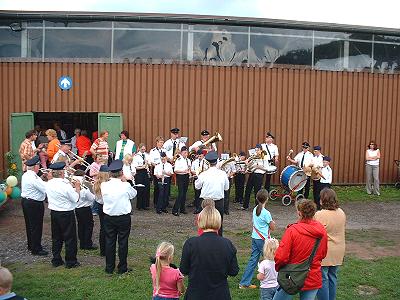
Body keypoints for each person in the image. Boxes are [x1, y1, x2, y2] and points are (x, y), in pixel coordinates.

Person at [180, 206, 239, 300]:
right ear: (219, 221)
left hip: (196, 294)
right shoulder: (227, 244)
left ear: (200, 221)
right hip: (220, 294)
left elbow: (184, 269)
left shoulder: (191, 243)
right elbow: (233, 271)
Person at [273, 199, 328, 300]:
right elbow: (323, 253)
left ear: (299, 212)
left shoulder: (292, 231)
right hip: (312, 275)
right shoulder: (321, 230)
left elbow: (281, 257)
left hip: (291, 276)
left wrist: (279, 268)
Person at [101, 160, 137, 274]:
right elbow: (133, 194)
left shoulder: (104, 185)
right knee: (123, 242)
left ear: (110, 173)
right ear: (121, 172)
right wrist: (126, 181)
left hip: (109, 216)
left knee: (110, 241)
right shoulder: (125, 185)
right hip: (123, 217)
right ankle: (122, 267)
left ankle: (109, 267)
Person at [46, 161, 81, 268]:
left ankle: (56, 260)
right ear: (61, 173)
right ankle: (71, 261)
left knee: (56, 237)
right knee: (70, 238)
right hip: (66, 213)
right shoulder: (65, 186)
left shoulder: (49, 183)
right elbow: (75, 199)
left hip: (54, 212)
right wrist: (78, 188)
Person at [239, 189, 276, 289]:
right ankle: (270, 280)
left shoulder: (255, 209)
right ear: (267, 199)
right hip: (263, 240)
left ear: (257, 198)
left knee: (253, 260)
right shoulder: (266, 213)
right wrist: (273, 223)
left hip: (255, 237)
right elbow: (272, 227)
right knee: (270, 259)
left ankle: (244, 282)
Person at [315, 189, 346, 300]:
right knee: (333, 276)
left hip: (325, 251)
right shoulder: (341, 212)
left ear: (323, 200)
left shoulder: (319, 214)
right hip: (339, 249)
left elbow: (314, 232)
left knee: (322, 278)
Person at [194, 151, 229, 236]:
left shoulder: (203, 174)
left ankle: (203, 239)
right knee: (218, 223)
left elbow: (197, 187)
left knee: (204, 222)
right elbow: (226, 188)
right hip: (218, 201)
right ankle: (219, 240)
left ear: (208, 162)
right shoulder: (223, 174)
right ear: (217, 161)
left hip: (206, 201)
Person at [20, 155, 48, 256]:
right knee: (36, 226)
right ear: (35, 166)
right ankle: (36, 248)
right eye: (39, 165)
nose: (39, 167)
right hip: (34, 203)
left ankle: (31, 245)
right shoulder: (32, 177)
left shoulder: (28, 175)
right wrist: (51, 179)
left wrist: (43, 177)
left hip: (27, 202)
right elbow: (44, 188)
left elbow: (38, 183)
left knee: (30, 225)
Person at [73, 169, 97, 250]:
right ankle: (87, 244)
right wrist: (93, 188)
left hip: (77, 209)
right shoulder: (84, 190)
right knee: (88, 226)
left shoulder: (73, 188)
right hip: (85, 209)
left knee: (81, 225)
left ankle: (82, 243)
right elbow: (92, 198)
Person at [241, 144, 269, 210]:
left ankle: (257, 207)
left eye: (258, 150)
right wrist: (247, 164)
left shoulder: (264, 157)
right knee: (248, 190)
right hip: (252, 174)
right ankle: (245, 206)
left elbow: (266, 168)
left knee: (257, 192)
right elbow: (250, 167)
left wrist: (258, 166)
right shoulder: (254, 157)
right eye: (256, 150)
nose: (256, 152)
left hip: (259, 175)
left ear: (261, 150)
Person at [93, 165, 110, 257]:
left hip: (100, 206)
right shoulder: (107, 184)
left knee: (102, 228)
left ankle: (103, 250)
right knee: (108, 229)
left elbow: (96, 198)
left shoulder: (97, 183)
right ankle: (107, 249)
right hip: (107, 206)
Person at [173, 146, 191, 216]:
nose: (186, 154)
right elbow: (176, 170)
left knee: (184, 194)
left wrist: (189, 172)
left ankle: (182, 209)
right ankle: (175, 210)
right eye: (184, 152)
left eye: (186, 152)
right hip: (180, 177)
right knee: (180, 193)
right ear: (181, 152)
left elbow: (189, 168)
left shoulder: (188, 160)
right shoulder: (179, 160)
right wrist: (184, 171)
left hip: (186, 176)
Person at [133, 143, 151, 210]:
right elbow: (135, 167)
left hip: (145, 172)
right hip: (139, 173)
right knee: (140, 188)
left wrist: (148, 164)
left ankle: (145, 205)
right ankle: (139, 205)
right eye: (142, 149)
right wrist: (143, 166)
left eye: (144, 149)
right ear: (139, 148)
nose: (143, 150)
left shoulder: (146, 155)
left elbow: (149, 163)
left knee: (146, 188)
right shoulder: (136, 156)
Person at [149, 136, 166, 207]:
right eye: (160, 142)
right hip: (156, 168)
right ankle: (156, 202)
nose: (161, 144)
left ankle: (163, 202)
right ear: (157, 142)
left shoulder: (164, 150)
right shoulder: (153, 151)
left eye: (162, 142)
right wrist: (154, 164)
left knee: (164, 185)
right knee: (157, 186)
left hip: (163, 168)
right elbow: (150, 161)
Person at [218, 151, 235, 215]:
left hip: (228, 179)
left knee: (227, 194)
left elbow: (234, 171)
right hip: (220, 180)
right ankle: (220, 208)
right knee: (220, 194)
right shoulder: (220, 162)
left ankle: (226, 209)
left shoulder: (231, 162)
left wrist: (227, 176)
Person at [190, 149, 207, 214]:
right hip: (196, 178)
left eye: (201, 155)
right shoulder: (195, 162)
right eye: (198, 155)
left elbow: (206, 169)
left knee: (203, 194)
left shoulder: (206, 162)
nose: (199, 157)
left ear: (203, 155)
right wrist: (197, 172)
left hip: (203, 179)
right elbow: (192, 170)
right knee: (197, 194)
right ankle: (197, 208)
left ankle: (203, 208)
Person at [311, 145, 324, 210]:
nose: (314, 152)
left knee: (319, 190)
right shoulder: (313, 158)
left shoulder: (322, 158)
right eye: (314, 151)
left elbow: (323, 165)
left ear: (319, 151)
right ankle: (315, 203)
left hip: (320, 176)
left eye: (315, 151)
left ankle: (319, 204)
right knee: (315, 190)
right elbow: (312, 164)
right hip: (314, 175)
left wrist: (318, 166)